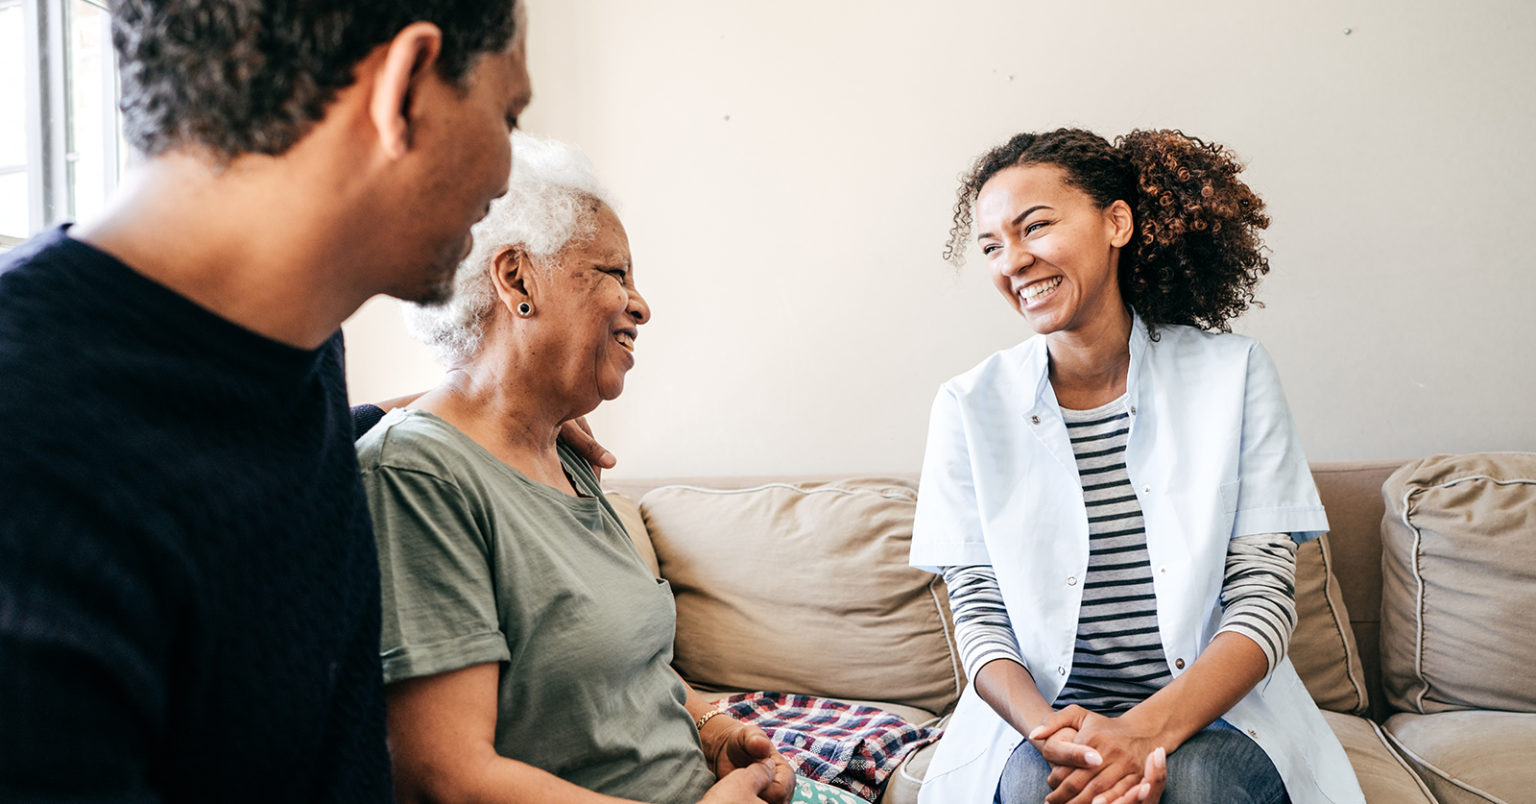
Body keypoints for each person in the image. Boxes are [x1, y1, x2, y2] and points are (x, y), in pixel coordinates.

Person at [0, 2, 630, 802]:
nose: (505, 173)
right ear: (403, 90)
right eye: (506, 114)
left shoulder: (287, 350)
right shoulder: (34, 460)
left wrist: (500, 410)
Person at [356, 133, 863, 804]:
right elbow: (446, 776)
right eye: (614, 273)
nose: (641, 304)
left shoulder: (564, 453)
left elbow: (625, 664)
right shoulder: (417, 475)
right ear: (517, 279)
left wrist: (711, 726)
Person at [908, 128, 1365, 804]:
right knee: (1048, 789)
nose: (1014, 261)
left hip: (1217, 719)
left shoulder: (1233, 374)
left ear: (1116, 222)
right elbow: (978, 614)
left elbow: (1262, 600)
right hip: (1046, 725)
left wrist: (1144, 734)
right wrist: (1052, 734)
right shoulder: (968, 406)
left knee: (1199, 782)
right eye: (992, 246)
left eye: (1035, 227)